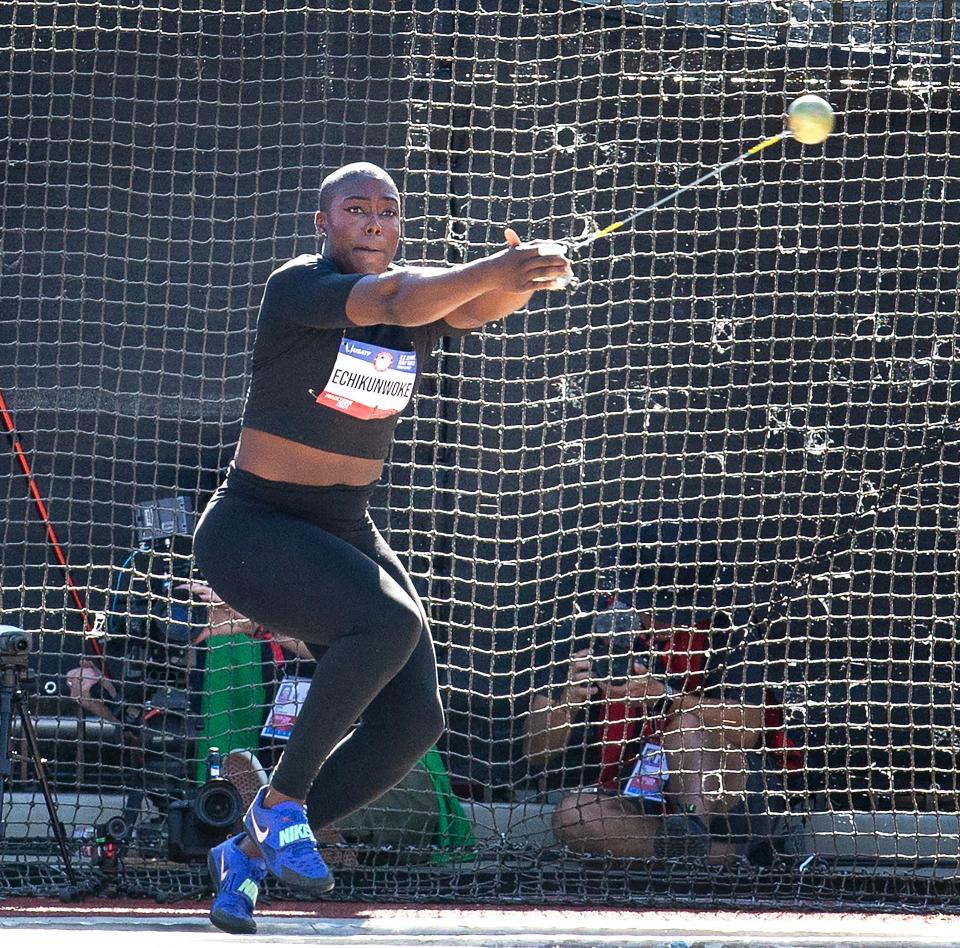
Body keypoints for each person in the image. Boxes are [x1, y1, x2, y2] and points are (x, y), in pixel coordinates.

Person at [191, 161, 571, 934]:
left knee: (415, 720)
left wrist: (526, 275)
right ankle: (285, 802)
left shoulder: (421, 306)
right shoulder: (299, 287)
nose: (373, 221)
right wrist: (496, 265)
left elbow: (481, 302)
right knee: (387, 624)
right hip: (253, 528)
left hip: (342, 524)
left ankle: (247, 854)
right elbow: (399, 293)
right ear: (323, 224)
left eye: (387, 211)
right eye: (356, 209)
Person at [524, 602, 800, 864]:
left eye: (675, 610)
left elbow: (749, 727)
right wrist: (567, 703)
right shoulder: (589, 625)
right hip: (635, 804)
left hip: (724, 799)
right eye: (653, 609)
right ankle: (715, 856)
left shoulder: (728, 627)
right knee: (573, 815)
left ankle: (694, 828)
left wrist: (665, 698)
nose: (663, 619)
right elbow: (535, 752)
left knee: (686, 728)